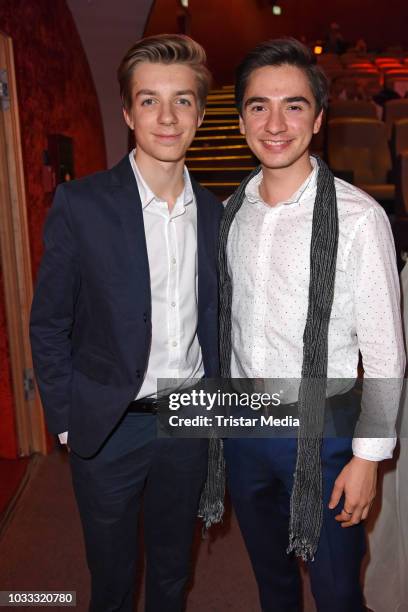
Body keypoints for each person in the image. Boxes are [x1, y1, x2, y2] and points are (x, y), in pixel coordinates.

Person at [30, 34, 222, 612]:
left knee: (172, 571)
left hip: (187, 418)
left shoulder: (218, 213)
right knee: (111, 580)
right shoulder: (81, 204)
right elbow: (48, 324)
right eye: (149, 100)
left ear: (200, 113)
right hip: (108, 426)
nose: (166, 116)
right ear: (127, 112)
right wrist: (67, 421)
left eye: (182, 100)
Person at [218, 38, 405, 611]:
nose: (275, 123)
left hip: (325, 433)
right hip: (246, 427)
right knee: (271, 585)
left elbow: (385, 351)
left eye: (294, 106)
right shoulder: (229, 214)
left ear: (319, 118)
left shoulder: (359, 218)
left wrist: (368, 458)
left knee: (337, 591)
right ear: (242, 117)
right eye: (258, 106)